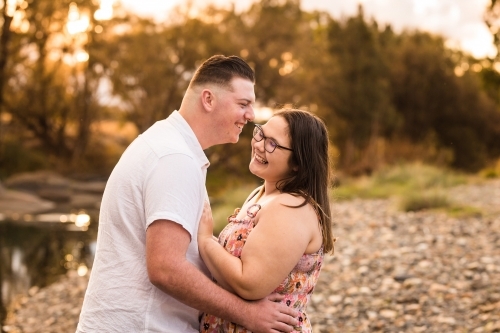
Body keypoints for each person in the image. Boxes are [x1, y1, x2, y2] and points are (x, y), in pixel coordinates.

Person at [76, 55, 299, 333]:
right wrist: (247, 314)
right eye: (243, 104)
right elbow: (166, 269)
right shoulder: (175, 158)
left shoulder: (166, 143)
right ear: (208, 99)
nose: (251, 115)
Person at [197, 109, 335, 333]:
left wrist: (205, 240)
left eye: (273, 143)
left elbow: (249, 284)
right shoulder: (260, 193)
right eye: (260, 133)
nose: (259, 144)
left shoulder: (290, 207)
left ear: (298, 163)